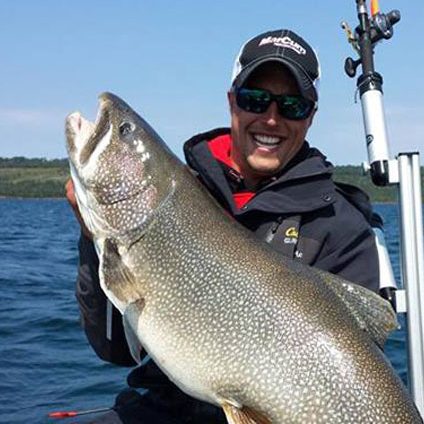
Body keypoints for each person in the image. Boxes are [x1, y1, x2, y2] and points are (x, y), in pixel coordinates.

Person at [66, 29, 384, 424]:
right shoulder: (185, 191)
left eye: (292, 106)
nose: (271, 118)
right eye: (254, 100)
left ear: (311, 117)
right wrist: (91, 236)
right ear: (232, 102)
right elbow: (115, 350)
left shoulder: (341, 226)